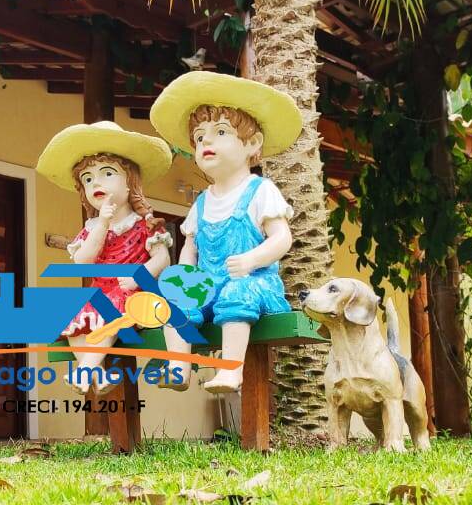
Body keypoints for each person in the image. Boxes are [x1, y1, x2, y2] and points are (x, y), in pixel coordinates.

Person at [149, 71, 302, 392]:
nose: (207, 142)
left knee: (236, 294)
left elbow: (282, 238)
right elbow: (190, 246)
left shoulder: (260, 191)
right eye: (200, 137)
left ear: (252, 144)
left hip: (253, 283)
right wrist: (186, 272)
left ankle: (231, 371)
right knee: (174, 297)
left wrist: (251, 260)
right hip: (210, 283)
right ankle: (179, 367)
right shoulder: (202, 202)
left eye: (220, 132)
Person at [35, 121, 174, 394]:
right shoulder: (91, 228)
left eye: (107, 173)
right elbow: (82, 262)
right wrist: (101, 225)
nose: (95, 182)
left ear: (130, 183)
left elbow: (162, 260)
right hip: (99, 291)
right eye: (87, 179)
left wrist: (137, 277)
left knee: (108, 311)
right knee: (73, 321)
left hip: (133, 292)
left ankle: (84, 371)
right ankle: (96, 374)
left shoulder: (144, 224)